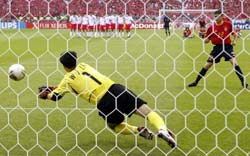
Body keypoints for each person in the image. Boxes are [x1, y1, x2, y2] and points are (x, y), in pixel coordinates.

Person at [38, 51, 177, 148]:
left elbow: (56, 97)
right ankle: (162, 129)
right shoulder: (84, 65)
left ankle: (137, 130)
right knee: (147, 112)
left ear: (64, 66)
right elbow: (81, 81)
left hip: (104, 103)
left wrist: (47, 94)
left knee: (115, 126)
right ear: (75, 61)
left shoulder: (66, 80)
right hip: (116, 89)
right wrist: (56, 88)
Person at [188, 10, 248, 88]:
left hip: (227, 47)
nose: (215, 18)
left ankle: (244, 84)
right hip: (217, 49)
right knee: (207, 65)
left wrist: (234, 41)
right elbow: (207, 40)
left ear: (222, 16)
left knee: (235, 63)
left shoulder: (228, 25)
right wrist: (205, 40)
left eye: (217, 16)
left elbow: (235, 35)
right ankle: (196, 82)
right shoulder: (211, 28)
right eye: (215, 16)